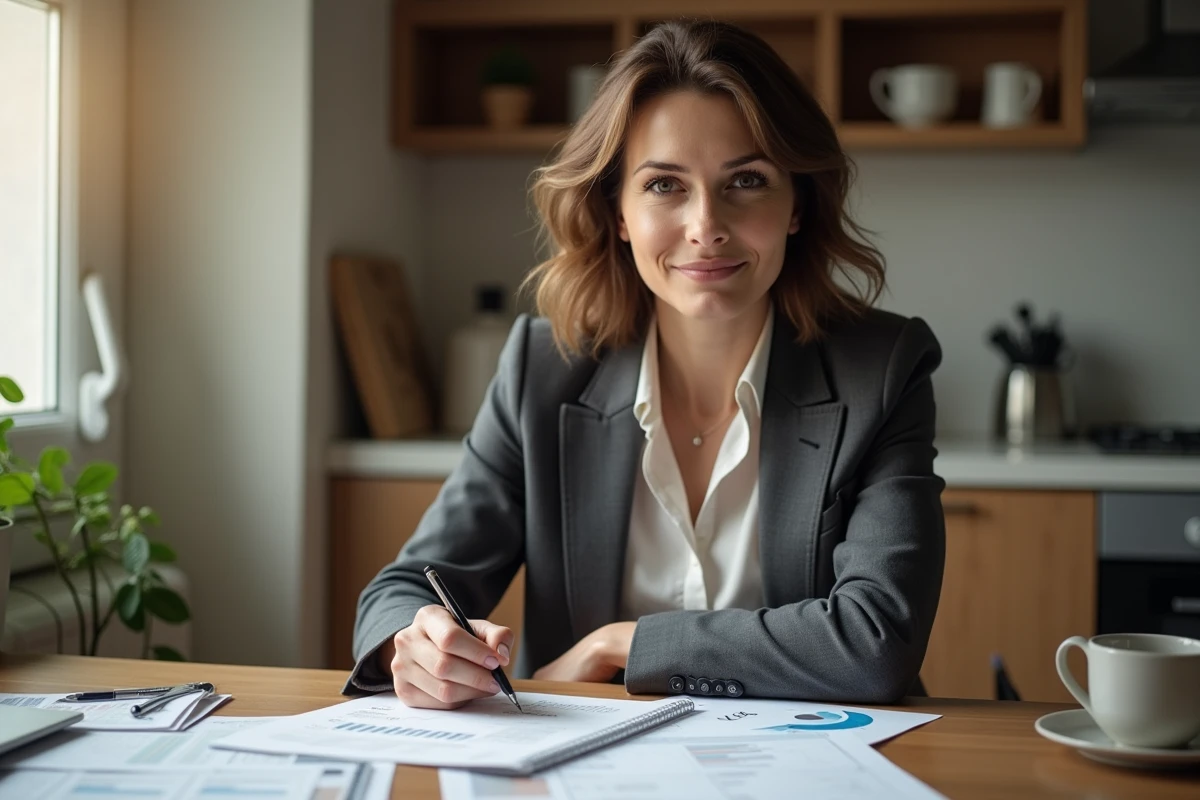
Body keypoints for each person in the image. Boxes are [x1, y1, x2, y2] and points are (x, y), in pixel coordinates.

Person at [344, 19, 946, 709]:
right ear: (618, 212)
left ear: (797, 205)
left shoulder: (885, 369)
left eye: (747, 179)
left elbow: (876, 644)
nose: (705, 225)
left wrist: (621, 645)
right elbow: (402, 592)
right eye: (664, 185)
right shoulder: (542, 368)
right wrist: (416, 644)